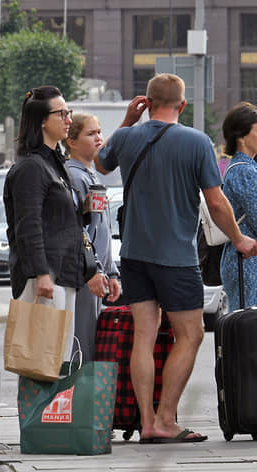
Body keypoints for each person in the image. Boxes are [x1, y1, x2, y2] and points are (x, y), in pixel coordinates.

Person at [96, 74, 257, 443]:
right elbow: (215, 203)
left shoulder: (126, 137)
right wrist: (239, 239)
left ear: (147, 102)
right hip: (176, 257)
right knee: (191, 333)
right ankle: (165, 420)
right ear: (182, 105)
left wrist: (125, 122)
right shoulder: (196, 141)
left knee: (144, 336)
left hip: (134, 253)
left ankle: (147, 421)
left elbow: (103, 165)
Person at [5, 87, 110, 367]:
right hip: (46, 280)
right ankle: (36, 413)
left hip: (65, 277)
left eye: (69, 113)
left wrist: (91, 269)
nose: (67, 119)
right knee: (40, 363)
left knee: (59, 363)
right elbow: (28, 226)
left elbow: (72, 226)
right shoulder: (31, 168)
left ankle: (51, 412)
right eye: (61, 113)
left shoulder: (56, 165)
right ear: (41, 121)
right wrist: (42, 274)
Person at [64, 112, 122, 361]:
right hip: (85, 274)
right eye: (91, 133)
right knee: (81, 346)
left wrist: (111, 272)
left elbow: (100, 231)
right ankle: (75, 399)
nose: (99, 138)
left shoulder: (89, 174)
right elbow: (80, 231)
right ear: (71, 142)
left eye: (99, 132)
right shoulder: (74, 176)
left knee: (89, 342)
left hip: (95, 274)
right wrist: (97, 270)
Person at [219, 101, 257, 310]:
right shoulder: (245, 172)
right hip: (247, 263)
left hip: (243, 261)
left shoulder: (242, 168)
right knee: (249, 332)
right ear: (241, 136)